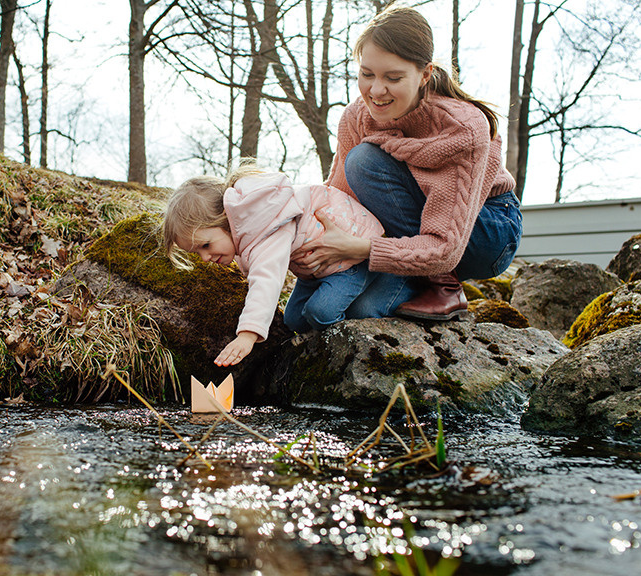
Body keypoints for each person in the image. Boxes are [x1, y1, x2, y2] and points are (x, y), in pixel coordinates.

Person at [292, 5, 523, 320]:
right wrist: (312, 247)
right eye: (367, 74)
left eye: (393, 77)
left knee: (364, 160)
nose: (376, 90)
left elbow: (445, 246)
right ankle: (411, 276)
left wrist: (361, 250)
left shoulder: (463, 127)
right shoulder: (356, 116)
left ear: (425, 73)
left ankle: (445, 287)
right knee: (360, 310)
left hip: (483, 233)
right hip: (413, 228)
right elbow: (340, 200)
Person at [163, 162, 386, 367]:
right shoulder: (244, 230)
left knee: (320, 312)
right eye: (196, 252)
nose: (205, 258)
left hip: (350, 259)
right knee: (294, 320)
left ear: (224, 217)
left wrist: (248, 335)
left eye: (205, 245)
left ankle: (354, 331)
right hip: (314, 269)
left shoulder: (265, 225)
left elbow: (266, 280)